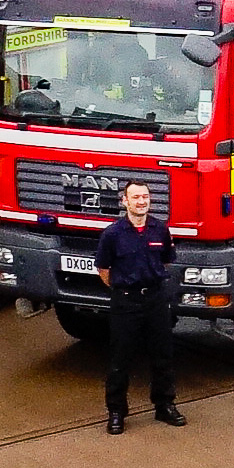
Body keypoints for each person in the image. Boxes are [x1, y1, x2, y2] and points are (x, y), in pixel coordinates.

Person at [95, 181, 185, 432]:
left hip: (155, 299)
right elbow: (104, 271)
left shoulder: (159, 230)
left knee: (163, 355)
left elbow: (166, 262)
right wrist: (125, 289)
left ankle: (164, 406)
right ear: (124, 201)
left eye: (145, 196)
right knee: (119, 360)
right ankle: (116, 413)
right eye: (135, 197)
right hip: (126, 301)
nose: (141, 201)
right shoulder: (112, 234)